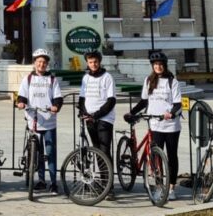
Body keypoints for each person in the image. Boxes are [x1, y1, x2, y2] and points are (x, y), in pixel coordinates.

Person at [126, 50, 182, 199]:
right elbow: (144, 101)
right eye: (155, 64)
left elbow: (178, 104)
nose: (158, 67)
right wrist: (132, 112)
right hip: (155, 124)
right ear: (152, 66)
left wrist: (171, 113)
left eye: (160, 64)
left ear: (165, 65)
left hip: (171, 125)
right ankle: (158, 187)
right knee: (156, 158)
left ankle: (171, 188)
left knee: (171, 156)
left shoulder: (172, 81)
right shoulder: (148, 81)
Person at [16, 47, 64, 194]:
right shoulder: (28, 79)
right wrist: (21, 103)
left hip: (49, 120)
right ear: (34, 63)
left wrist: (56, 106)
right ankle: (42, 181)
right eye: (39, 62)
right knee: (37, 153)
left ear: (47, 64)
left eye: (44, 62)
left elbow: (58, 97)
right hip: (34, 119)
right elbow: (22, 95)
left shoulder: (52, 79)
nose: (41, 65)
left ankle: (53, 182)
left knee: (50, 152)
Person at [78, 48, 116, 194]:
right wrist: (82, 111)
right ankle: (103, 182)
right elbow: (82, 98)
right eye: (90, 62)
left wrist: (97, 115)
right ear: (87, 63)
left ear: (99, 62)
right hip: (90, 119)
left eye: (95, 62)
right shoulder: (86, 78)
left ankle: (109, 187)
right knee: (97, 151)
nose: (93, 64)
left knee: (105, 151)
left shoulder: (107, 77)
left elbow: (111, 100)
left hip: (105, 119)